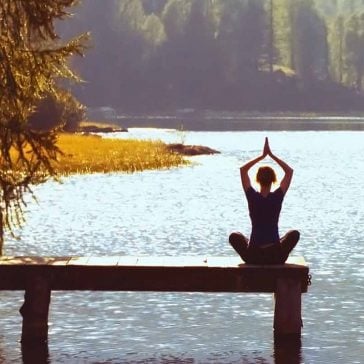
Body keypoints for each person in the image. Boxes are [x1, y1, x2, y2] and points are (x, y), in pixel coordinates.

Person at [229, 137, 300, 264]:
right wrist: (271, 155)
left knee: (234, 236)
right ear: (273, 180)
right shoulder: (277, 197)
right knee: (294, 234)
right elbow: (289, 172)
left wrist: (262, 156)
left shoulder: (252, 196)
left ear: (257, 180)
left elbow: (243, 170)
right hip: (275, 256)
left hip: (253, 256)